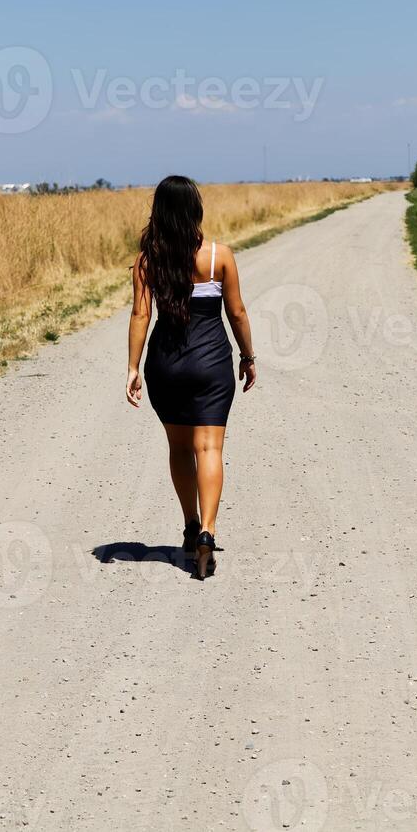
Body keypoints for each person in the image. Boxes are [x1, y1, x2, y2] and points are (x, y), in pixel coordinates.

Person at [126, 175, 256, 580]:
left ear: (159, 214)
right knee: (209, 448)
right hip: (211, 365)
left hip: (166, 366)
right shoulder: (220, 257)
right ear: (195, 211)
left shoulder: (149, 262)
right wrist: (248, 356)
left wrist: (132, 367)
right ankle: (207, 532)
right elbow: (237, 313)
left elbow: (141, 315)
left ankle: (188, 522)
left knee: (179, 448)